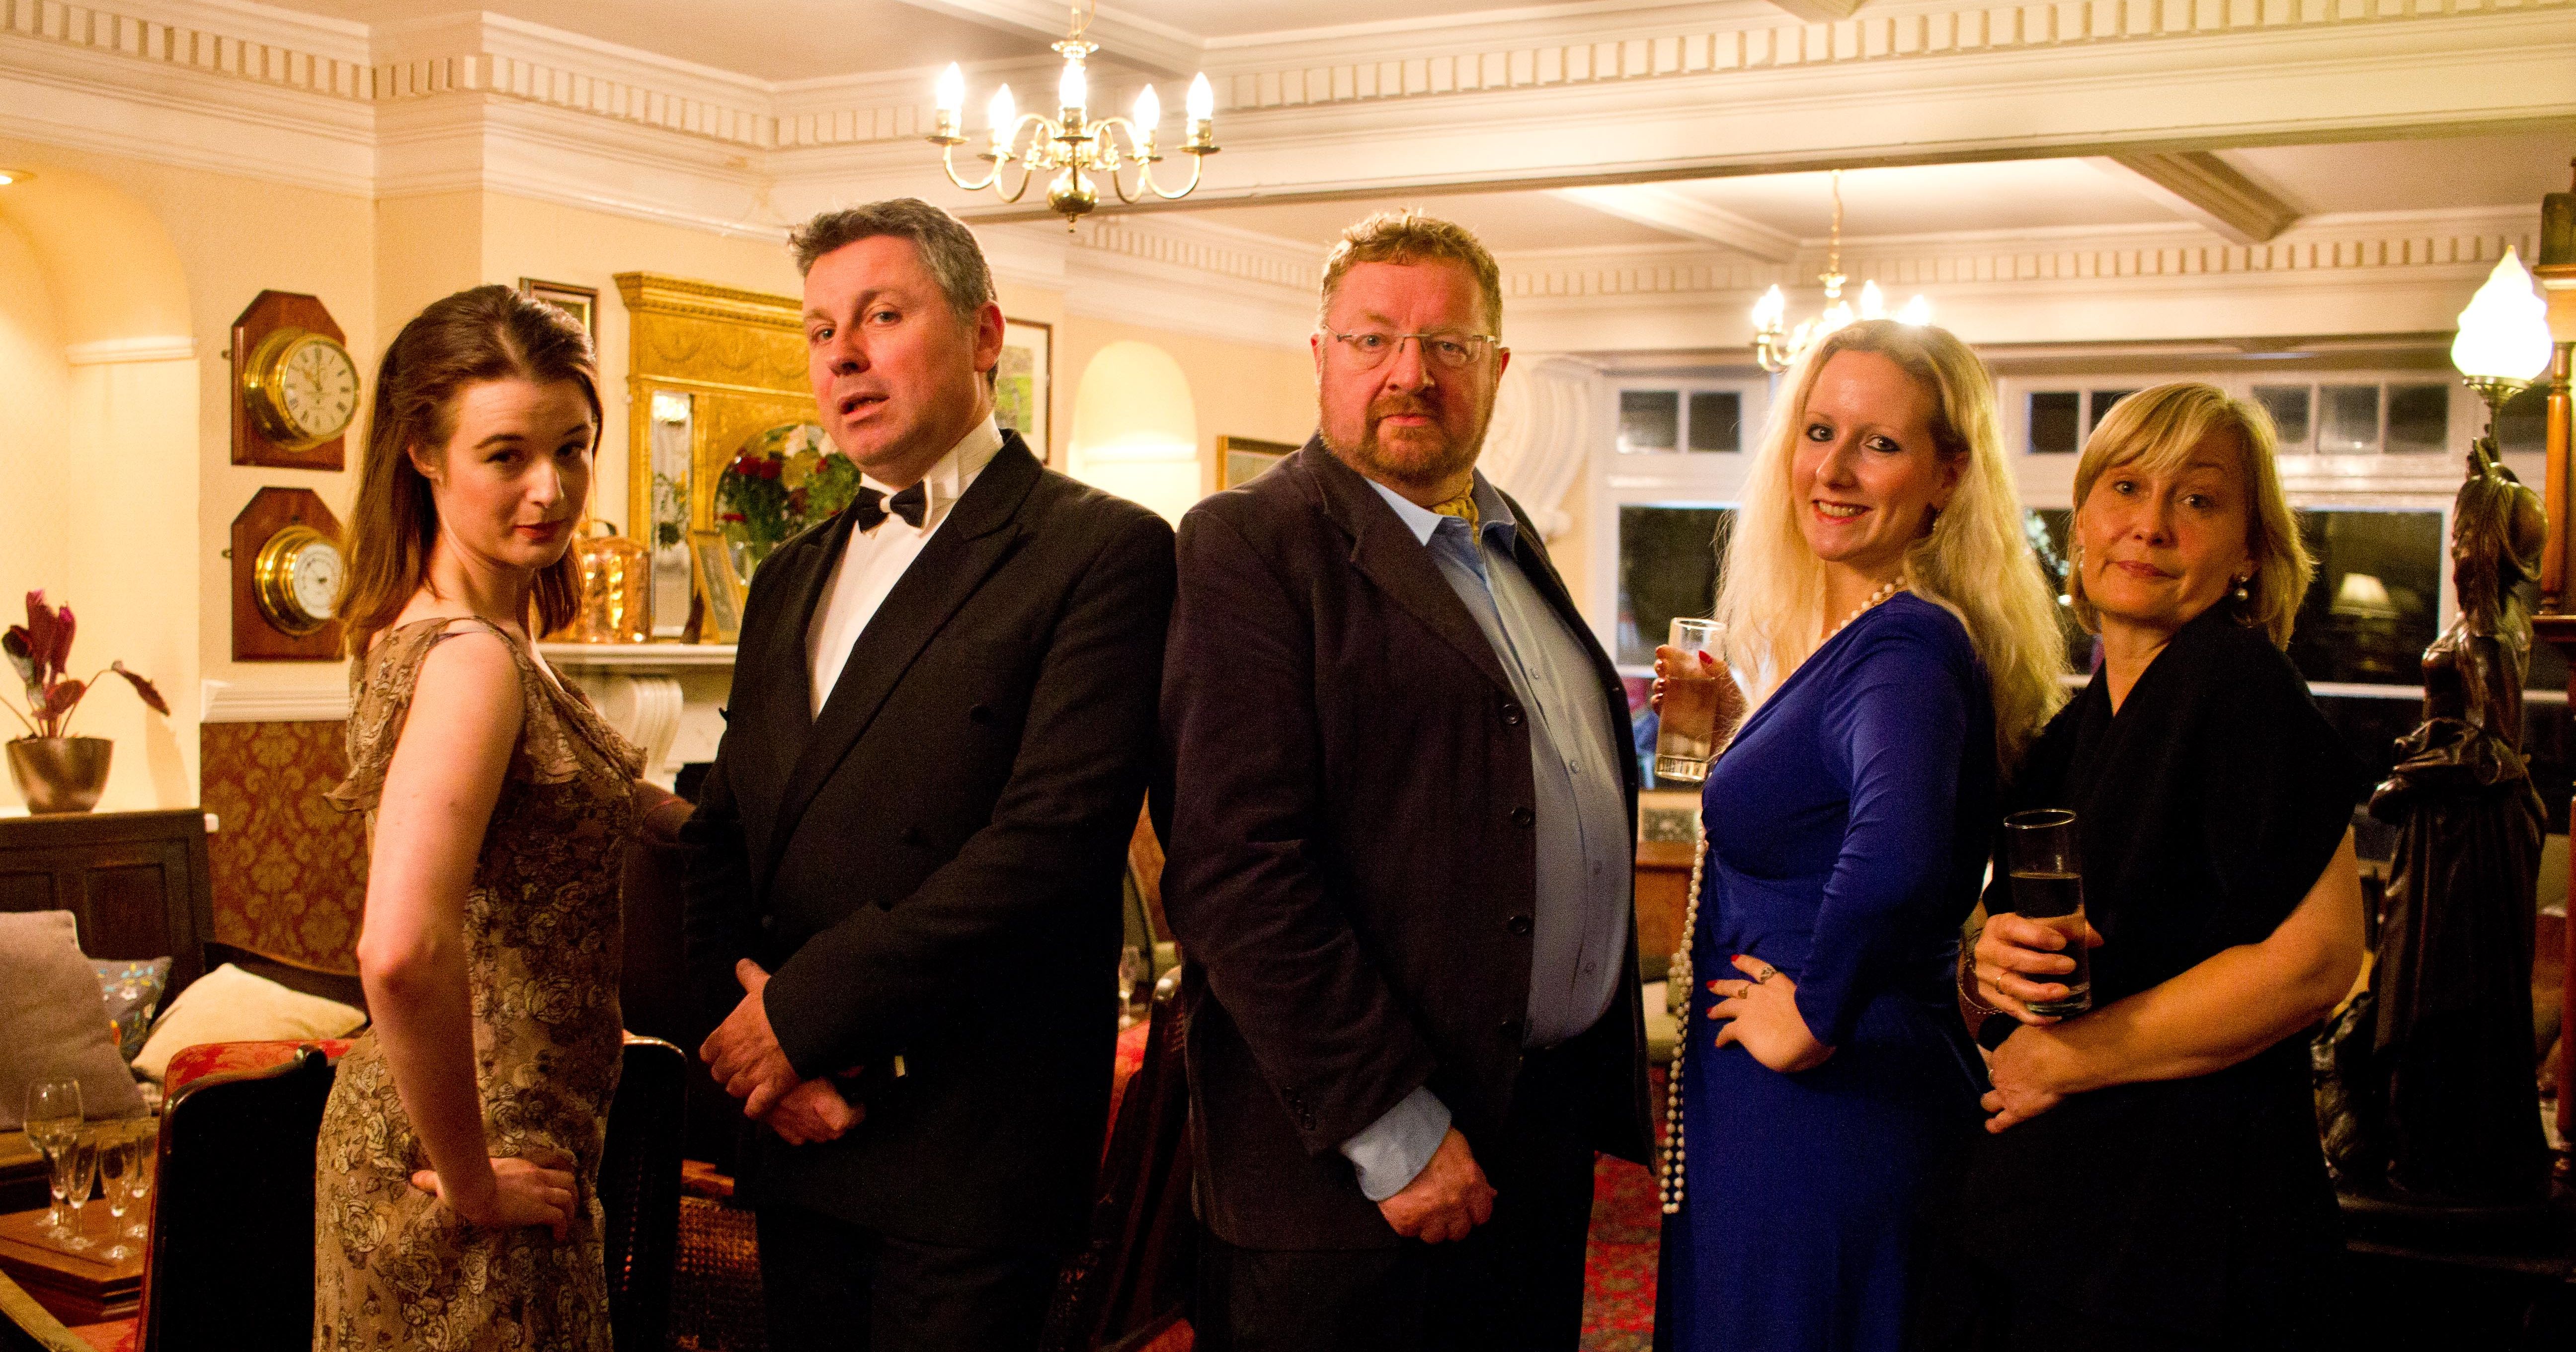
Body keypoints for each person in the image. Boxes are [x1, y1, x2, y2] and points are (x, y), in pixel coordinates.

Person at [679, 198, 1174, 1351]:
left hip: (970, 1151)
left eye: (881, 316)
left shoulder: (1103, 550)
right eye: (818, 331)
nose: (842, 354)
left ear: (986, 334)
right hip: (801, 1134)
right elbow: (722, 833)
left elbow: (1048, 847)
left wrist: (801, 1016)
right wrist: (756, 1051)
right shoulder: (787, 575)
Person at [1159, 209, 1652, 1352]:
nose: (1409, 374)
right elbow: (1238, 873)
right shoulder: (1250, 544)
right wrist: (1396, 1128)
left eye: (1448, 346)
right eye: (1372, 339)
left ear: (1499, 368)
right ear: (1321, 356)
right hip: (1358, 1169)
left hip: (1531, 1136)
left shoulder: (1510, 539)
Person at [1651, 319, 2068, 1352]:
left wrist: (1817, 1013)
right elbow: (1830, 818)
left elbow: (1902, 848)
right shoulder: (1861, 636)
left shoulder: (1908, 643)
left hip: (1827, 1101)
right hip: (1797, 1102)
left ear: (1948, 474)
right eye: (1820, 430)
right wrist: (1739, 730)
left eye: (1878, 444)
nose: (1833, 469)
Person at [1925, 383, 2367, 1350]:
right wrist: (1982, 967)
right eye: (2126, 487)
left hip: (2197, 1232)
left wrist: (2074, 1053)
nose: (2152, 526)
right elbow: (2031, 950)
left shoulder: (2237, 681)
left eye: (2199, 500)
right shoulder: (2070, 729)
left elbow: (2319, 959)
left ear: (2250, 548)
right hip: (2078, 1218)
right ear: (2082, 517)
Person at [316, 285, 690, 1350]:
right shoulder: (472, 660)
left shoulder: (461, 631)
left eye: (572, 449)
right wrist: (476, 1180)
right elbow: (397, 948)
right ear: (423, 454)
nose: (551, 488)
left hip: (474, 1145)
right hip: (470, 1164)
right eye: (508, 454)